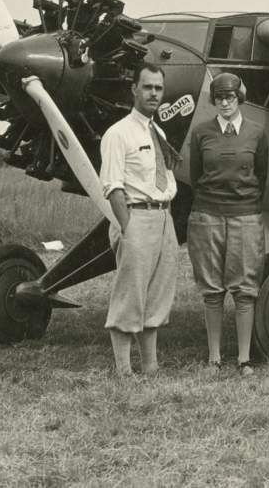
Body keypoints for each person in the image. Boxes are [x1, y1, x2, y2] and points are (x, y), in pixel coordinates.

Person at [100, 62, 180, 376]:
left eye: (158, 88)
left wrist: (166, 222)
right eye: (147, 87)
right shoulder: (118, 134)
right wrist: (128, 228)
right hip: (136, 218)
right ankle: (124, 370)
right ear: (134, 89)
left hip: (163, 218)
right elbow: (113, 187)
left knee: (157, 295)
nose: (153, 93)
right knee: (130, 295)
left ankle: (150, 366)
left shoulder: (156, 130)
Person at [187, 72, 269, 376]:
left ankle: (244, 359)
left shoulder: (257, 134)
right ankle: (214, 358)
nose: (224, 102)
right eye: (219, 97)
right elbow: (196, 177)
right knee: (211, 288)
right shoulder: (201, 133)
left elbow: (261, 174)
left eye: (230, 97)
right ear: (213, 100)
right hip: (207, 215)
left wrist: (242, 203)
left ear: (240, 98)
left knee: (245, 288)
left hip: (245, 216)